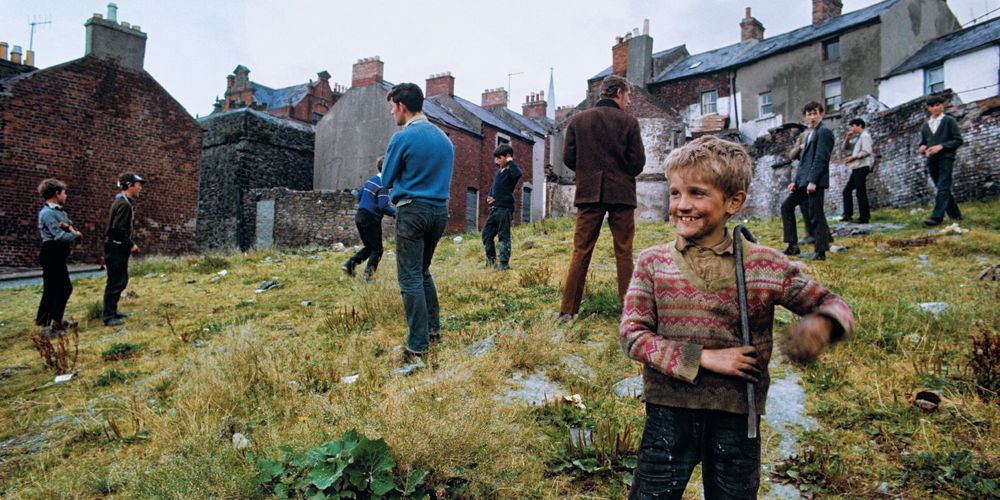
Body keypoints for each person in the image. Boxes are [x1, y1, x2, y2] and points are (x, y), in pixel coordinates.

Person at [620, 136, 854, 499]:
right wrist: (706, 358)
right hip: (669, 412)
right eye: (675, 193)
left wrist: (822, 325)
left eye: (697, 193)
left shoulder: (764, 264)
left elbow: (833, 304)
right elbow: (633, 335)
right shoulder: (653, 262)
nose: (682, 205)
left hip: (737, 419)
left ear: (734, 201)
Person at [558, 74, 646, 321]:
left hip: (588, 194)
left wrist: (588, 172)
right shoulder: (630, 123)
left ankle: (567, 310)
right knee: (624, 252)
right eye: (628, 96)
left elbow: (568, 158)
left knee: (581, 250)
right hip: (622, 194)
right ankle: (630, 313)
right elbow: (638, 163)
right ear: (618, 92)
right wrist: (620, 171)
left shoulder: (578, 121)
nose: (628, 102)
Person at [381, 83, 454, 360]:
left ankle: (417, 346)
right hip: (439, 212)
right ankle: (433, 332)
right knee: (423, 272)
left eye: (392, 107)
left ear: (401, 106)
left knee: (410, 276)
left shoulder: (402, 137)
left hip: (412, 210)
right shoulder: (445, 139)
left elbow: (386, 179)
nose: (391, 113)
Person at [781, 101, 834, 260]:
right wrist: (795, 181)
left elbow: (821, 159)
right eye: (808, 114)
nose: (811, 117)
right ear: (805, 117)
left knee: (815, 214)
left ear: (821, 114)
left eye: (814, 113)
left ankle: (820, 252)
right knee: (787, 207)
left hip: (814, 181)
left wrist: (813, 181)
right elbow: (804, 161)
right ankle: (792, 246)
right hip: (803, 181)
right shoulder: (809, 134)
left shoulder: (824, 132)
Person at [35, 178, 83, 335]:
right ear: (57, 194)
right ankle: (44, 325)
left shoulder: (59, 212)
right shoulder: (47, 213)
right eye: (64, 192)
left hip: (59, 255)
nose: (66, 195)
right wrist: (75, 234)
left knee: (64, 288)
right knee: (53, 288)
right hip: (51, 253)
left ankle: (57, 320)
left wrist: (70, 230)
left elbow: (67, 225)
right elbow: (59, 236)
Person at [342, 156, 396, 281]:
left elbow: (359, 195)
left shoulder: (370, 181)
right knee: (377, 250)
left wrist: (367, 204)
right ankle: (368, 278)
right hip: (371, 219)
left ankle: (349, 265)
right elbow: (383, 206)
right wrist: (396, 213)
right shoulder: (383, 185)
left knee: (369, 247)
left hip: (360, 216)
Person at [102, 172, 145, 326]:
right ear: (129, 185)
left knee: (119, 279)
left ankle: (112, 311)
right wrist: (131, 244)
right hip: (116, 247)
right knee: (116, 281)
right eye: (138, 185)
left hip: (115, 246)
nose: (140, 188)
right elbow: (118, 229)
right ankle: (108, 316)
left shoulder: (121, 202)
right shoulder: (124, 205)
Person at [919, 94, 964, 226]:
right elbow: (923, 142)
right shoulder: (926, 126)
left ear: (943, 105)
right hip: (931, 159)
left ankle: (936, 217)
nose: (935, 108)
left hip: (946, 157)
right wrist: (922, 148)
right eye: (932, 106)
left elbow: (958, 140)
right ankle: (956, 215)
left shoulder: (949, 121)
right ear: (928, 108)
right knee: (941, 186)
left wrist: (942, 146)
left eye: (938, 105)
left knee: (943, 186)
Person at [482, 144, 523, 271]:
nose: (497, 161)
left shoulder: (512, 172)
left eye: (499, 158)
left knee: (503, 235)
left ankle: (504, 264)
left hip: (505, 208)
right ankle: (491, 262)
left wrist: (510, 160)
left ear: (507, 157)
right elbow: (492, 188)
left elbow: (518, 174)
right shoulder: (498, 173)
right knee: (486, 234)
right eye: (496, 158)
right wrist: (489, 197)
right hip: (495, 209)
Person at [841, 118, 875, 223]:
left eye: (853, 126)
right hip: (856, 168)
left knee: (860, 192)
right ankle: (847, 214)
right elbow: (845, 148)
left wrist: (853, 157)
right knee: (847, 191)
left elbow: (867, 151)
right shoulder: (858, 138)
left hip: (862, 166)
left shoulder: (865, 136)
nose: (852, 128)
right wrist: (847, 138)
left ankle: (864, 217)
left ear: (859, 125)